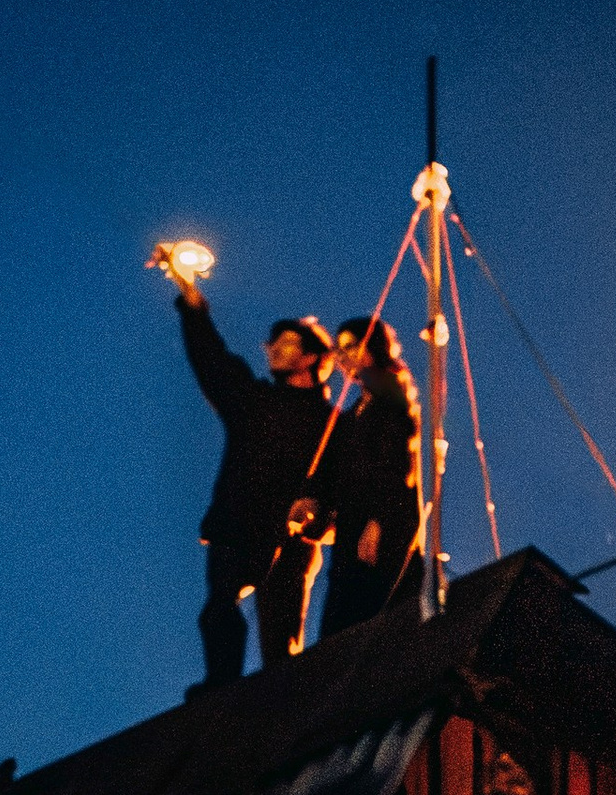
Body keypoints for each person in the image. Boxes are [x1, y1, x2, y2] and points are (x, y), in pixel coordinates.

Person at [159, 267, 335, 680]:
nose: (272, 349)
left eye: (286, 343)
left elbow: (340, 489)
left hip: (289, 540)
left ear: (311, 357)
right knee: (219, 610)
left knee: (280, 640)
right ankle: (218, 698)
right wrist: (192, 302)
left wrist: (319, 513)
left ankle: (279, 708)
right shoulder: (254, 402)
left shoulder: (330, 424)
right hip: (235, 528)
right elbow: (213, 361)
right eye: (271, 342)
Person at [316, 311, 425, 636]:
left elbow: (396, 461)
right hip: (353, 524)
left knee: (373, 617)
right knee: (343, 623)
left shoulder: (388, 391)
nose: (343, 356)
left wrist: (379, 522)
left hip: (382, 519)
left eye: (351, 346)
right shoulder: (356, 409)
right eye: (339, 348)